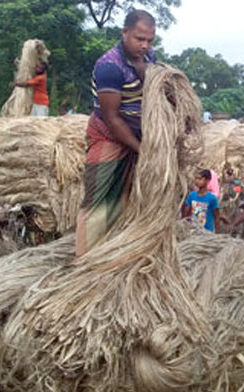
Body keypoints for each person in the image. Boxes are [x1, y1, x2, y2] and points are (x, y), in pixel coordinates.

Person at [75, 10, 157, 257]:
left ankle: (113, 250)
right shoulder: (110, 66)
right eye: (139, 38)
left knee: (125, 199)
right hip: (109, 138)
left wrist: (144, 71)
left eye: (149, 40)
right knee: (98, 201)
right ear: (125, 33)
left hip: (136, 138)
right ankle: (84, 260)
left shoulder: (148, 57)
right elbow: (112, 119)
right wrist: (141, 149)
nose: (144, 45)